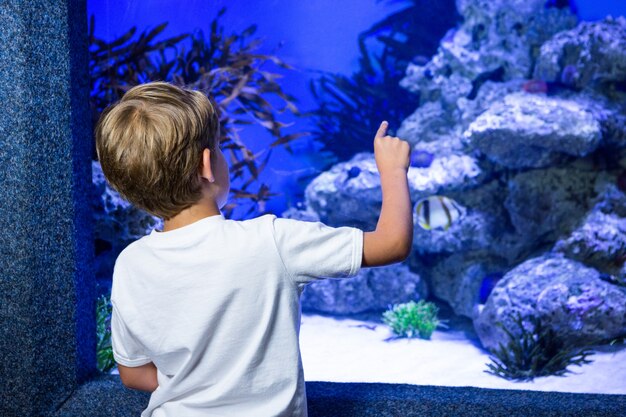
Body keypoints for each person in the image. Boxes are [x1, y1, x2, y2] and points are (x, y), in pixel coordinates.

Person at [95, 81, 412, 417]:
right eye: (218, 147)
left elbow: (133, 374)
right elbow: (391, 243)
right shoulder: (271, 241)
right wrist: (393, 171)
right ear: (207, 164)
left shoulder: (130, 264)